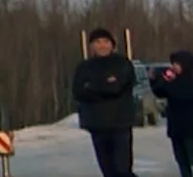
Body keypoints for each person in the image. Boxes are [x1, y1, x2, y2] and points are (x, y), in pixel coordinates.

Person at [74, 27, 139, 177]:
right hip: (96, 124)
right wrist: (105, 84)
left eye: (105, 42)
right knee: (108, 170)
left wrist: (92, 86)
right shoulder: (84, 67)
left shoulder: (122, 63)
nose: (102, 45)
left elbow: (116, 88)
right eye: (98, 42)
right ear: (91, 46)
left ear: (112, 45)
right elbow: (78, 92)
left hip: (120, 123)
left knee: (122, 169)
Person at [151, 50, 193, 177]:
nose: (174, 66)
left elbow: (183, 94)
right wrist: (155, 81)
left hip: (190, 126)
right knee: (181, 159)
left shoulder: (189, 79)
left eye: (177, 63)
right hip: (176, 125)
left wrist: (168, 83)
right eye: (173, 63)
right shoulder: (173, 79)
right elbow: (160, 92)